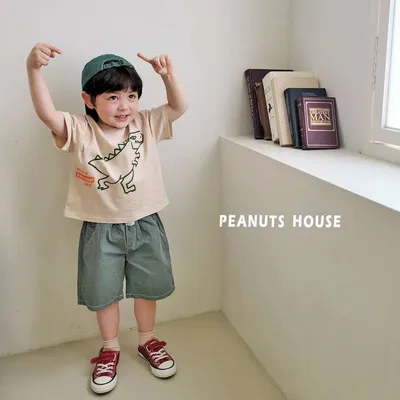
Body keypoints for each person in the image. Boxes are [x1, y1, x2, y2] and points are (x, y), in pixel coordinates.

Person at [26, 42, 187, 394]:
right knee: (104, 293)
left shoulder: (146, 122)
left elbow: (178, 106)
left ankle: (147, 340)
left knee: (147, 288)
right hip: (100, 229)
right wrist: (33, 70)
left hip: (146, 222)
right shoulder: (81, 129)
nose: (124, 105)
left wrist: (168, 76)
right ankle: (110, 348)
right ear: (89, 99)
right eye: (113, 97)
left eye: (131, 96)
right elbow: (47, 114)